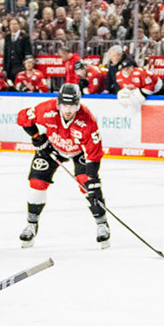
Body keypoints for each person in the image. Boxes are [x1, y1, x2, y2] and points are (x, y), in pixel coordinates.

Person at [17, 83, 109, 247]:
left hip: (78, 151)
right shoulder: (47, 109)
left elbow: (93, 152)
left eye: (72, 105)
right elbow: (23, 117)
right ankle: (31, 225)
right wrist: (37, 137)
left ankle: (102, 224)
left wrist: (93, 179)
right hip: (52, 149)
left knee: (87, 184)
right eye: (65, 105)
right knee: (37, 183)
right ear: (58, 103)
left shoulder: (87, 120)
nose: (68, 110)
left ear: (78, 104)